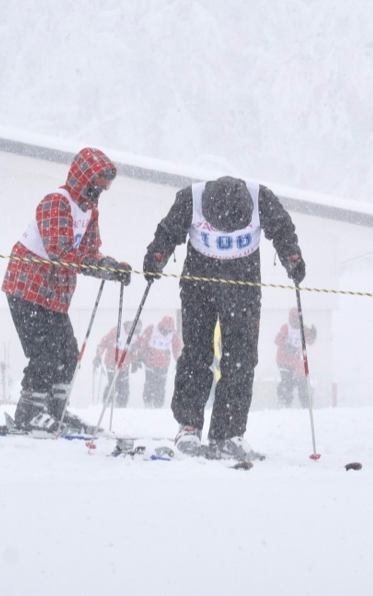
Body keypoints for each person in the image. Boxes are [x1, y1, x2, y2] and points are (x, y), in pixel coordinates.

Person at [142, 175, 304, 460]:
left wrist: (292, 257)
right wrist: (157, 255)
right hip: (199, 282)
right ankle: (189, 426)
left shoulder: (260, 197)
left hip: (242, 282)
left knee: (241, 358)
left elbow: (282, 229)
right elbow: (168, 231)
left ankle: (227, 434)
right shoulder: (191, 198)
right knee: (196, 353)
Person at [1, 147, 131, 433]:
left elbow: (89, 252)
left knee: (68, 353)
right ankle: (29, 412)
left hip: (55, 295)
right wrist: (95, 266)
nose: (99, 192)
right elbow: (59, 252)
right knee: (44, 352)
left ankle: (55, 410)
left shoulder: (90, 211)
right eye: (97, 184)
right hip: (27, 287)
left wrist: (109, 266)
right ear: (83, 178)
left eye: (104, 187)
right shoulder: (57, 202)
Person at [134, 316, 182, 408]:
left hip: (163, 364)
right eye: (165, 330)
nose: (166, 332)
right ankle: (147, 403)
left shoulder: (173, 334)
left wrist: (179, 360)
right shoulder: (152, 329)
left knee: (161, 386)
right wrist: (140, 354)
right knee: (149, 383)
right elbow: (142, 341)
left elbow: (177, 348)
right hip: (150, 362)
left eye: (169, 330)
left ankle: (158, 405)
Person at [93, 320, 141, 408]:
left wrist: (134, 361)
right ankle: (106, 404)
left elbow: (133, 351)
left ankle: (121, 406)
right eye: (135, 331)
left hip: (125, 365)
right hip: (112, 362)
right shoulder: (117, 331)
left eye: (137, 332)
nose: (135, 334)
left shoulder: (136, 337)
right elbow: (103, 342)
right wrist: (98, 356)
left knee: (124, 387)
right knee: (113, 383)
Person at [274, 307, 316, 408]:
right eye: (295, 317)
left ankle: (306, 406)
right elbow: (277, 340)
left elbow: (310, 341)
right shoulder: (286, 328)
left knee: (303, 384)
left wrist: (313, 334)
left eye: (299, 317)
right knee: (286, 383)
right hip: (284, 361)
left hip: (298, 362)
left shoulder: (303, 329)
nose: (297, 320)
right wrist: (286, 346)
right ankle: (285, 405)